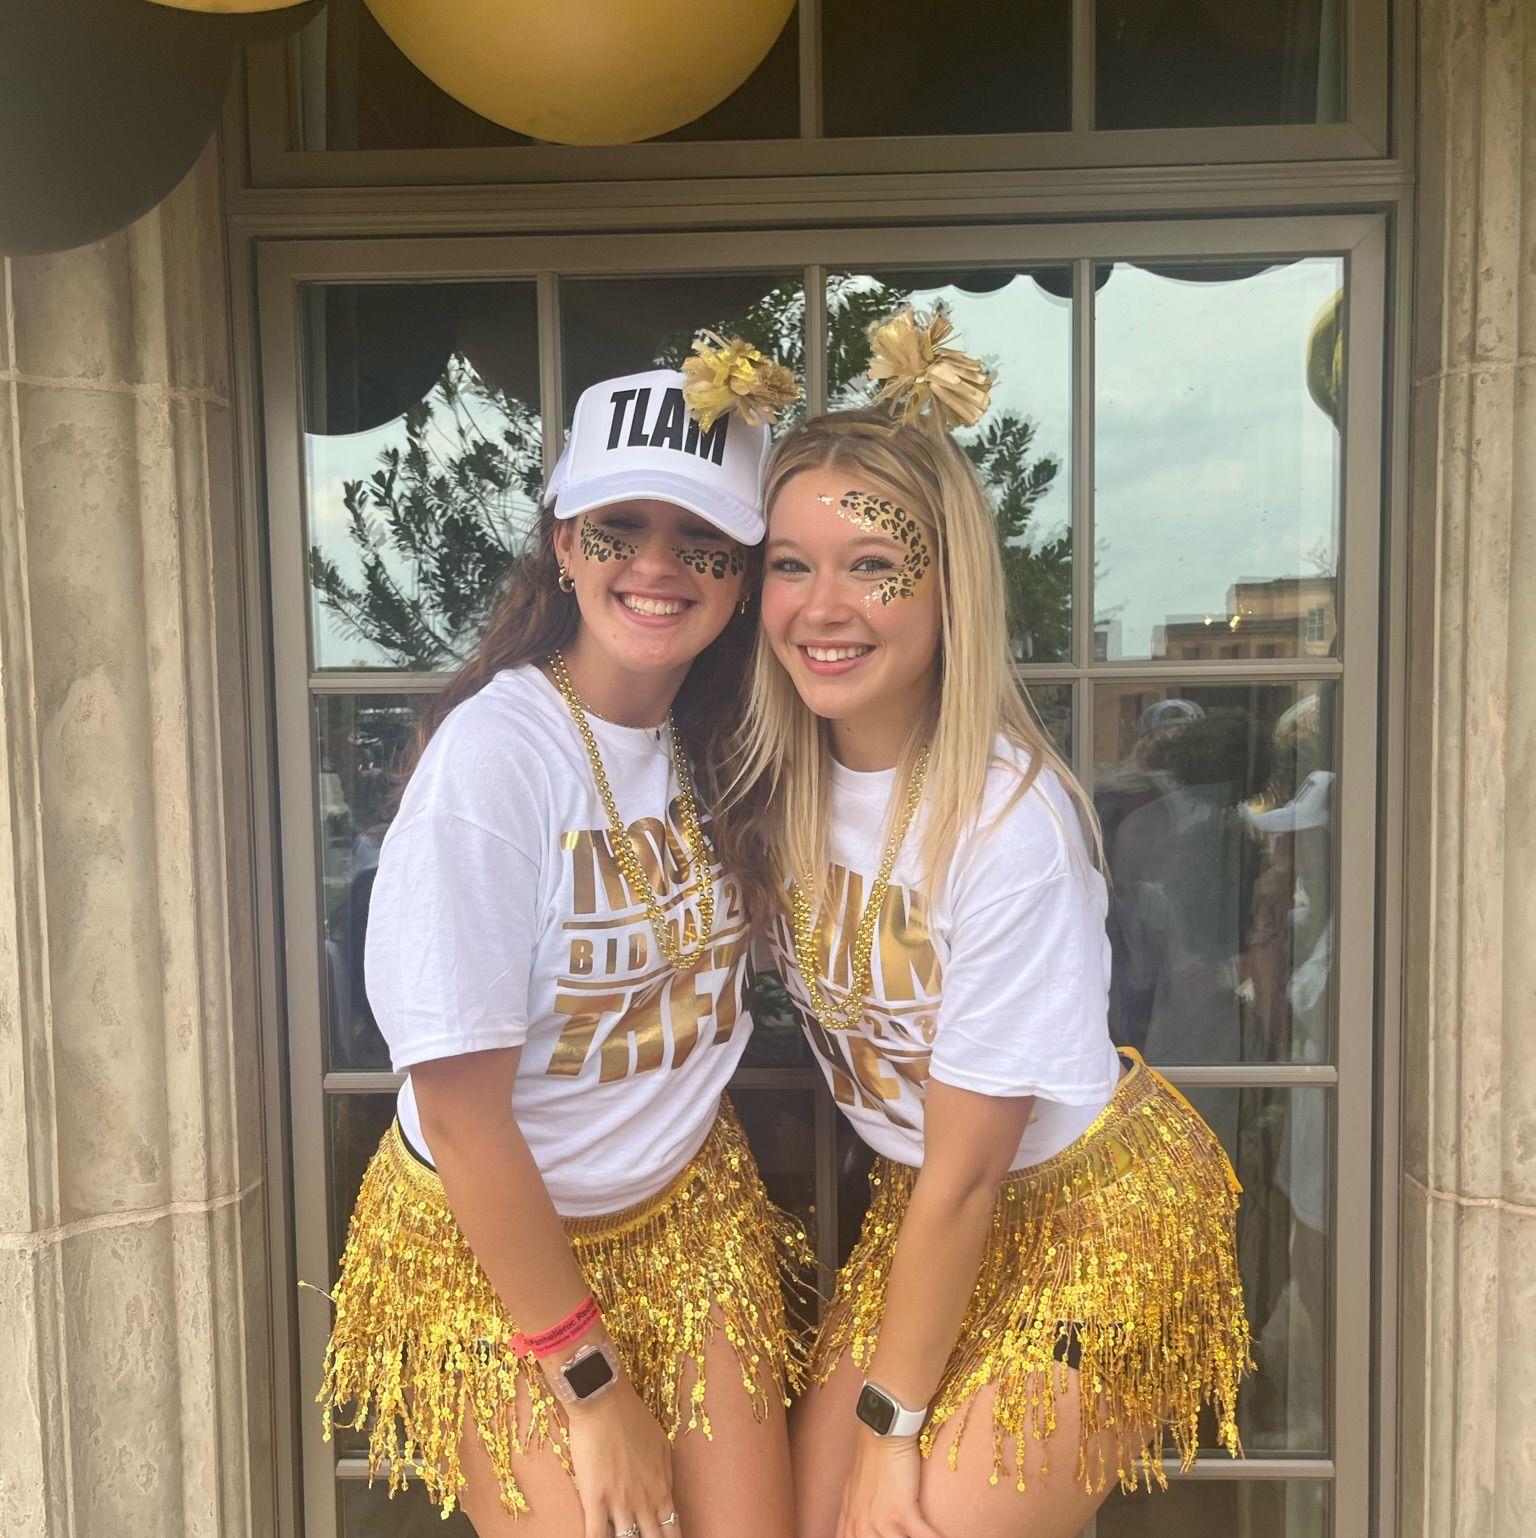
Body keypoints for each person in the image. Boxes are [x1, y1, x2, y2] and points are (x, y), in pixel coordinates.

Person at [714, 309, 1252, 1538]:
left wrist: (894, 1431)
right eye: (790, 564)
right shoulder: (771, 780)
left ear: (948, 583)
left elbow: (968, 1169)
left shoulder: (1013, 824)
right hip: (929, 1210)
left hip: (1083, 1218)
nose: (822, 605)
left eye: (873, 562)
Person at [317, 340, 807, 1538]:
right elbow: (462, 1110)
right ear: (564, 544)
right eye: (617, 527)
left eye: (700, 537)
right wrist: (589, 1384)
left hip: (688, 1210)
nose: (657, 563)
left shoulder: (728, 739)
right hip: (495, 1250)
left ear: (742, 573)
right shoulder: (496, 759)